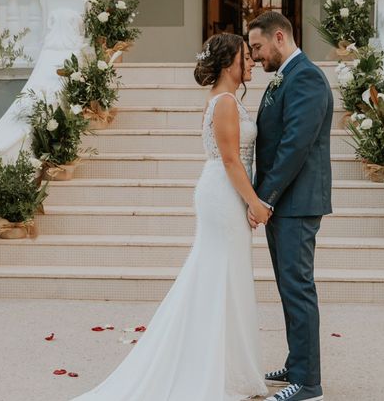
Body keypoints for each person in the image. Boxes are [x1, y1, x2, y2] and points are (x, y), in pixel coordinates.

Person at [71, 33, 269, 401]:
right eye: (247, 56)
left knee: (225, 276)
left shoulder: (226, 99)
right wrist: (255, 202)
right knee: (217, 276)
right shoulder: (225, 102)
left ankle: (228, 367)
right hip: (224, 193)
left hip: (226, 191)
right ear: (230, 64)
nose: (253, 62)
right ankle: (209, 370)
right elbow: (230, 160)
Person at [248, 11, 333, 401]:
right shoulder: (284, 78)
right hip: (283, 204)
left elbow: (295, 145)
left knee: (298, 288)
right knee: (288, 287)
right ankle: (297, 364)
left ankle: (309, 384)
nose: (254, 58)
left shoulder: (307, 78)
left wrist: (265, 197)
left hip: (295, 203)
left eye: (258, 48)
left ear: (279, 37)